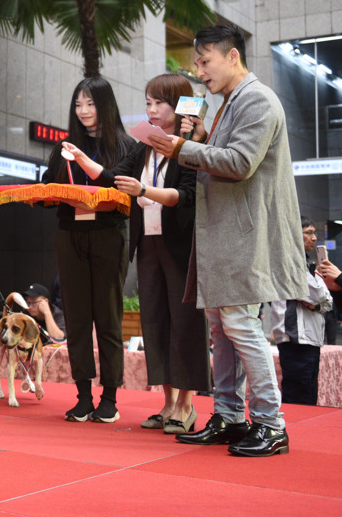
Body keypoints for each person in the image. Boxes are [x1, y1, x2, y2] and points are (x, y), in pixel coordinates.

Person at [151, 23, 307, 457]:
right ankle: (231, 416)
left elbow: (240, 163)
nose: (200, 71)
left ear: (232, 56)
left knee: (239, 326)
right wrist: (198, 139)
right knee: (223, 330)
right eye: (197, 62)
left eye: (205, 61)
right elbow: (227, 160)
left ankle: (271, 424)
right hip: (227, 235)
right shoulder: (231, 102)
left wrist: (181, 148)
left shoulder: (256, 98)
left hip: (243, 235)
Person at [113, 73, 209, 435]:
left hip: (181, 246)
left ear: (180, 106)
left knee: (184, 324)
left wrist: (145, 190)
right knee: (154, 322)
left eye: (160, 103)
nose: (152, 110)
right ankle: (167, 402)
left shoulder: (190, 146)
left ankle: (186, 404)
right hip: (148, 244)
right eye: (148, 102)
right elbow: (113, 176)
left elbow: (186, 198)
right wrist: (81, 160)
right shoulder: (142, 147)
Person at [42, 76, 136, 424]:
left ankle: (109, 396)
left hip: (108, 236)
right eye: (78, 104)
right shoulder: (63, 147)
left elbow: (128, 194)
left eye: (91, 103)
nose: (83, 111)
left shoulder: (125, 146)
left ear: (105, 105)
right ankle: (82, 395)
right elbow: (49, 187)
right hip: (69, 236)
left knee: (108, 318)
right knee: (77, 319)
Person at [269, 217, 333, 405]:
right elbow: (317, 296)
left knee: (308, 392)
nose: (314, 238)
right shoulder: (289, 260)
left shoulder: (305, 262)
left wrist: (320, 302)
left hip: (309, 337)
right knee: (299, 395)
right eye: (308, 233)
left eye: (315, 233)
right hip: (295, 337)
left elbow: (325, 300)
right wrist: (321, 301)